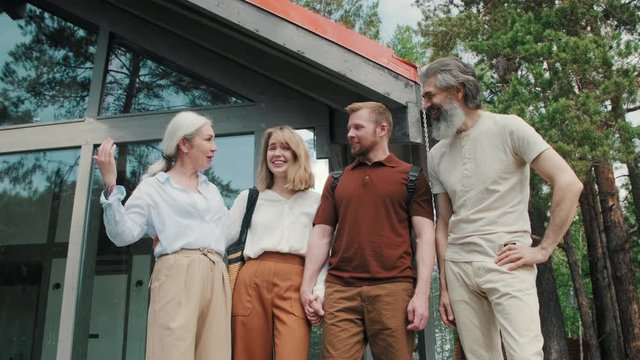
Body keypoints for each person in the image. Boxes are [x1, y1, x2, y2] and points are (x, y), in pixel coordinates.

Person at [421, 57, 583, 359]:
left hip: (507, 260)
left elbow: (568, 183)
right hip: (459, 269)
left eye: (430, 95)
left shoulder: (509, 128)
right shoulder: (437, 154)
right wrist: (444, 286)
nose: (425, 104)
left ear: (457, 91)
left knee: (525, 355)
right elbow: (443, 222)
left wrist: (544, 249)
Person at [300, 101, 436, 360]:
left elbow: (425, 237)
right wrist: (308, 285)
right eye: (349, 127)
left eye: (358, 127)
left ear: (382, 129)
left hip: (393, 289)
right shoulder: (337, 180)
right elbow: (321, 234)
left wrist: (421, 294)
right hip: (340, 291)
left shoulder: (411, 178)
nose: (350, 133)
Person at [93, 111, 231, 360]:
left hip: (216, 273)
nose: (215, 147)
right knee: (171, 352)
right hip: (177, 274)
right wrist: (110, 183)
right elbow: (122, 234)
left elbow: (228, 232)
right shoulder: (154, 187)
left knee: (215, 354)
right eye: (208, 140)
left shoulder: (212, 191)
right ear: (184, 144)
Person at [227, 126, 326, 360]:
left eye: (285, 148)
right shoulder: (249, 198)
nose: (277, 154)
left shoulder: (316, 201)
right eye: (272, 148)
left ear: (297, 155)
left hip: (297, 281)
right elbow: (219, 238)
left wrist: (319, 290)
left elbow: (323, 253)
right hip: (251, 280)